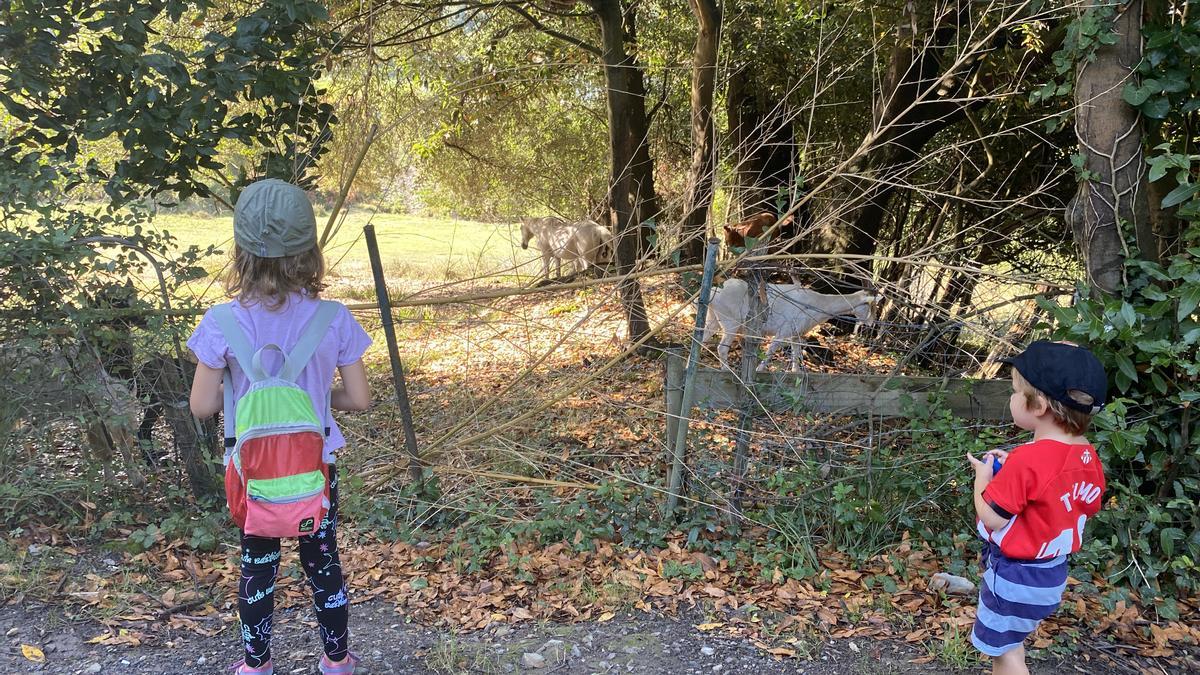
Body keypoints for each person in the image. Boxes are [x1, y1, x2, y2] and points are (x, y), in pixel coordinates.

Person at [188, 178, 372, 675]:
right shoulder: (333, 318)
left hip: (254, 470)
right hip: (317, 465)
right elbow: (359, 398)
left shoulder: (221, 322)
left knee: (257, 563)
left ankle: (256, 665)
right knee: (323, 561)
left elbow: (202, 406)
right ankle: (336, 661)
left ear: (241, 251)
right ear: (309, 251)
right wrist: (312, 402)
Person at [966, 340, 1108, 675]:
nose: (1012, 398)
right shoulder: (1086, 454)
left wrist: (982, 479)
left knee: (1004, 653)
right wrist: (1013, 463)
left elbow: (991, 517)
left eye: (1015, 392)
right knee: (1013, 638)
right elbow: (1083, 499)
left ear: (1039, 405)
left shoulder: (1030, 462)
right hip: (1051, 574)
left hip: (1014, 575)